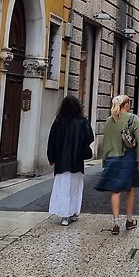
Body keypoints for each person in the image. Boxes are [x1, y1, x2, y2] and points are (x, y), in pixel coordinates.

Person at [94, 94, 139, 234]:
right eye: (130, 103)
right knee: (130, 188)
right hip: (129, 158)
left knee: (115, 190)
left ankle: (116, 223)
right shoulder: (133, 118)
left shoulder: (109, 120)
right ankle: (129, 220)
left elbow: (106, 141)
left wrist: (105, 160)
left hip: (112, 158)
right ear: (126, 104)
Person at [47, 95, 93, 226]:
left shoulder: (59, 121)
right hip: (77, 160)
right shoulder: (83, 122)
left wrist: (51, 157)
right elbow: (90, 138)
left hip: (62, 160)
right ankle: (73, 212)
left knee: (63, 188)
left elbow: (52, 141)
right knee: (75, 188)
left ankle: (64, 215)